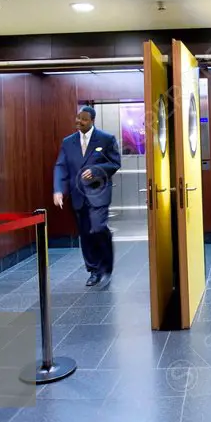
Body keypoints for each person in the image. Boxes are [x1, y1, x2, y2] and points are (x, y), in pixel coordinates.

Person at [53, 105, 121, 288]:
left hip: (99, 193)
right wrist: (58, 190)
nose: (79, 122)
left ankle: (106, 265)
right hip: (78, 195)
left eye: (83, 119)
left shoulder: (106, 139)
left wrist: (96, 170)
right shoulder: (68, 142)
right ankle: (93, 270)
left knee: (98, 229)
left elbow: (115, 163)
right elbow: (61, 166)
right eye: (77, 118)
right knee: (85, 234)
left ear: (92, 121)